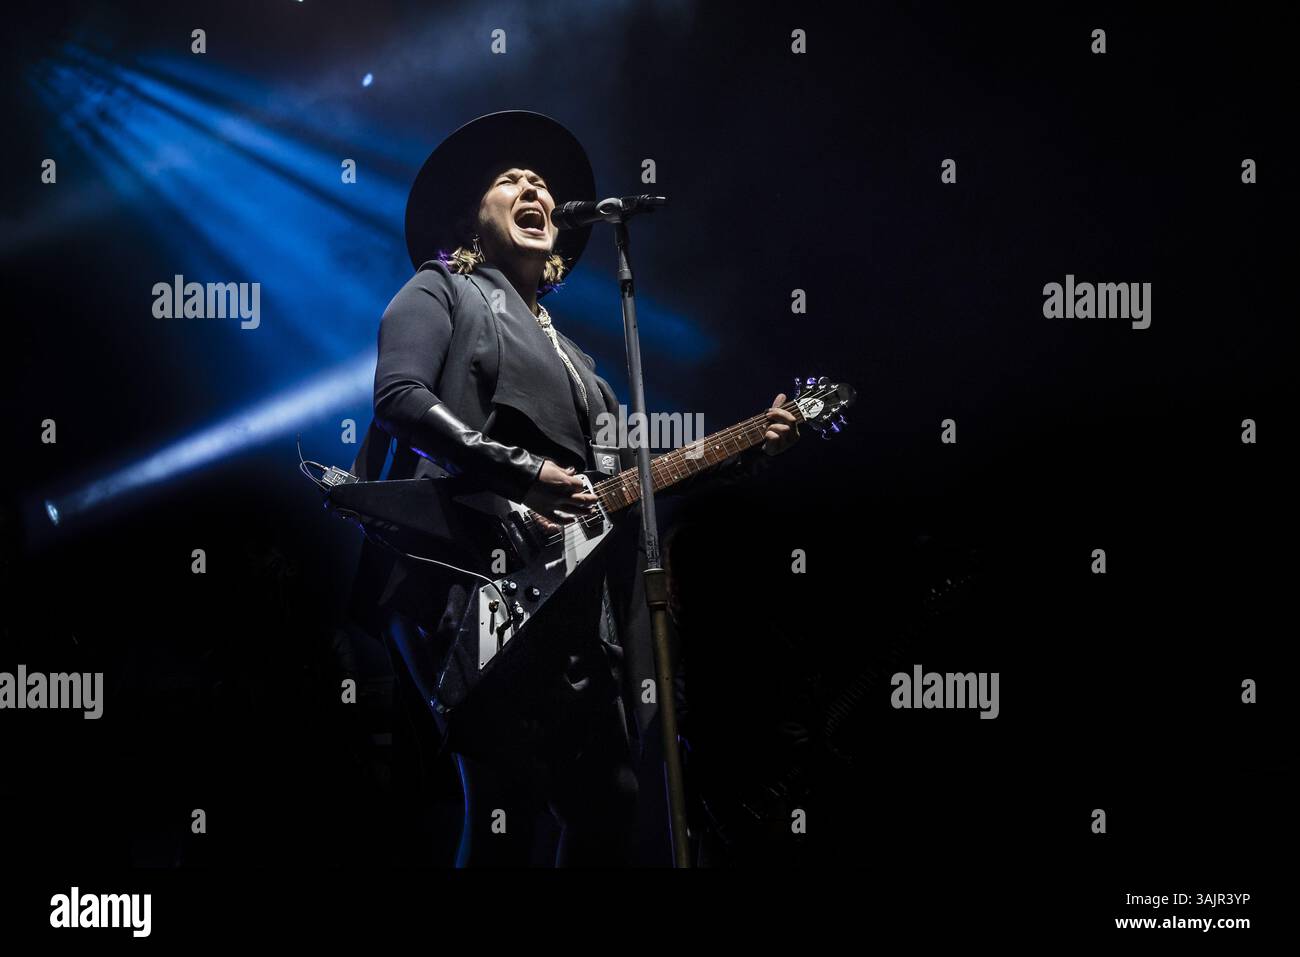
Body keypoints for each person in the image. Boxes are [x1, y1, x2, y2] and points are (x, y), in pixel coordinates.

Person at [346, 111, 799, 866]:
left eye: (543, 185)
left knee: (612, 800)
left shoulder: (585, 366)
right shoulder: (440, 291)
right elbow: (398, 398)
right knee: (503, 806)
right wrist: (520, 476)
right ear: (471, 219)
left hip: (577, 604)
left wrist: (748, 445)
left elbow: (632, 488)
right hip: (472, 565)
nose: (534, 187)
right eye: (511, 180)